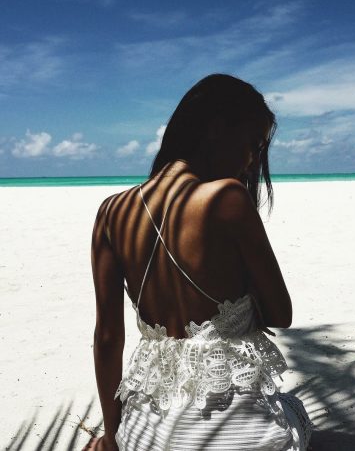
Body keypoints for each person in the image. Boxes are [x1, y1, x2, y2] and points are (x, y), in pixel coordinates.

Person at [83, 74, 313, 451]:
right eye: (253, 145)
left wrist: (112, 437)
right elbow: (281, 313)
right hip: (236, 436)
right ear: (217, 129)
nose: (252, 161)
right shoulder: (226, 197)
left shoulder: (111, 212)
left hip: (145, 437)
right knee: (295, 411)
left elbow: (107, 337)